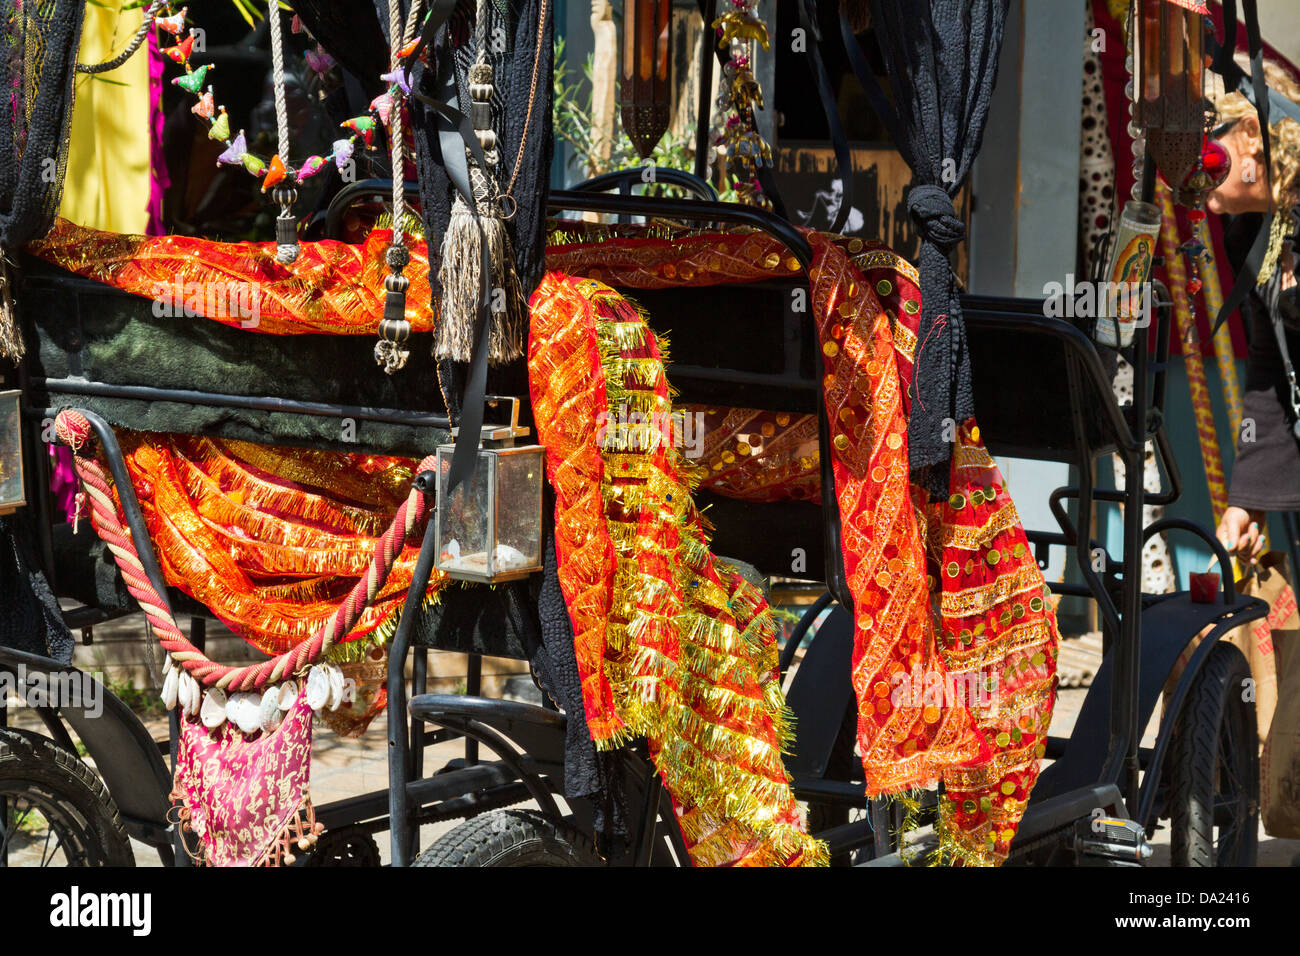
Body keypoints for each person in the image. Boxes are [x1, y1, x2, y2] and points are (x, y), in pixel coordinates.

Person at [1208, 60, 1300, 565]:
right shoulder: (1248, 231)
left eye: (1205, 146)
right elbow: (1270, 369)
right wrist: (1249, 500)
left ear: (1249, 134)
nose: (1191, 167)